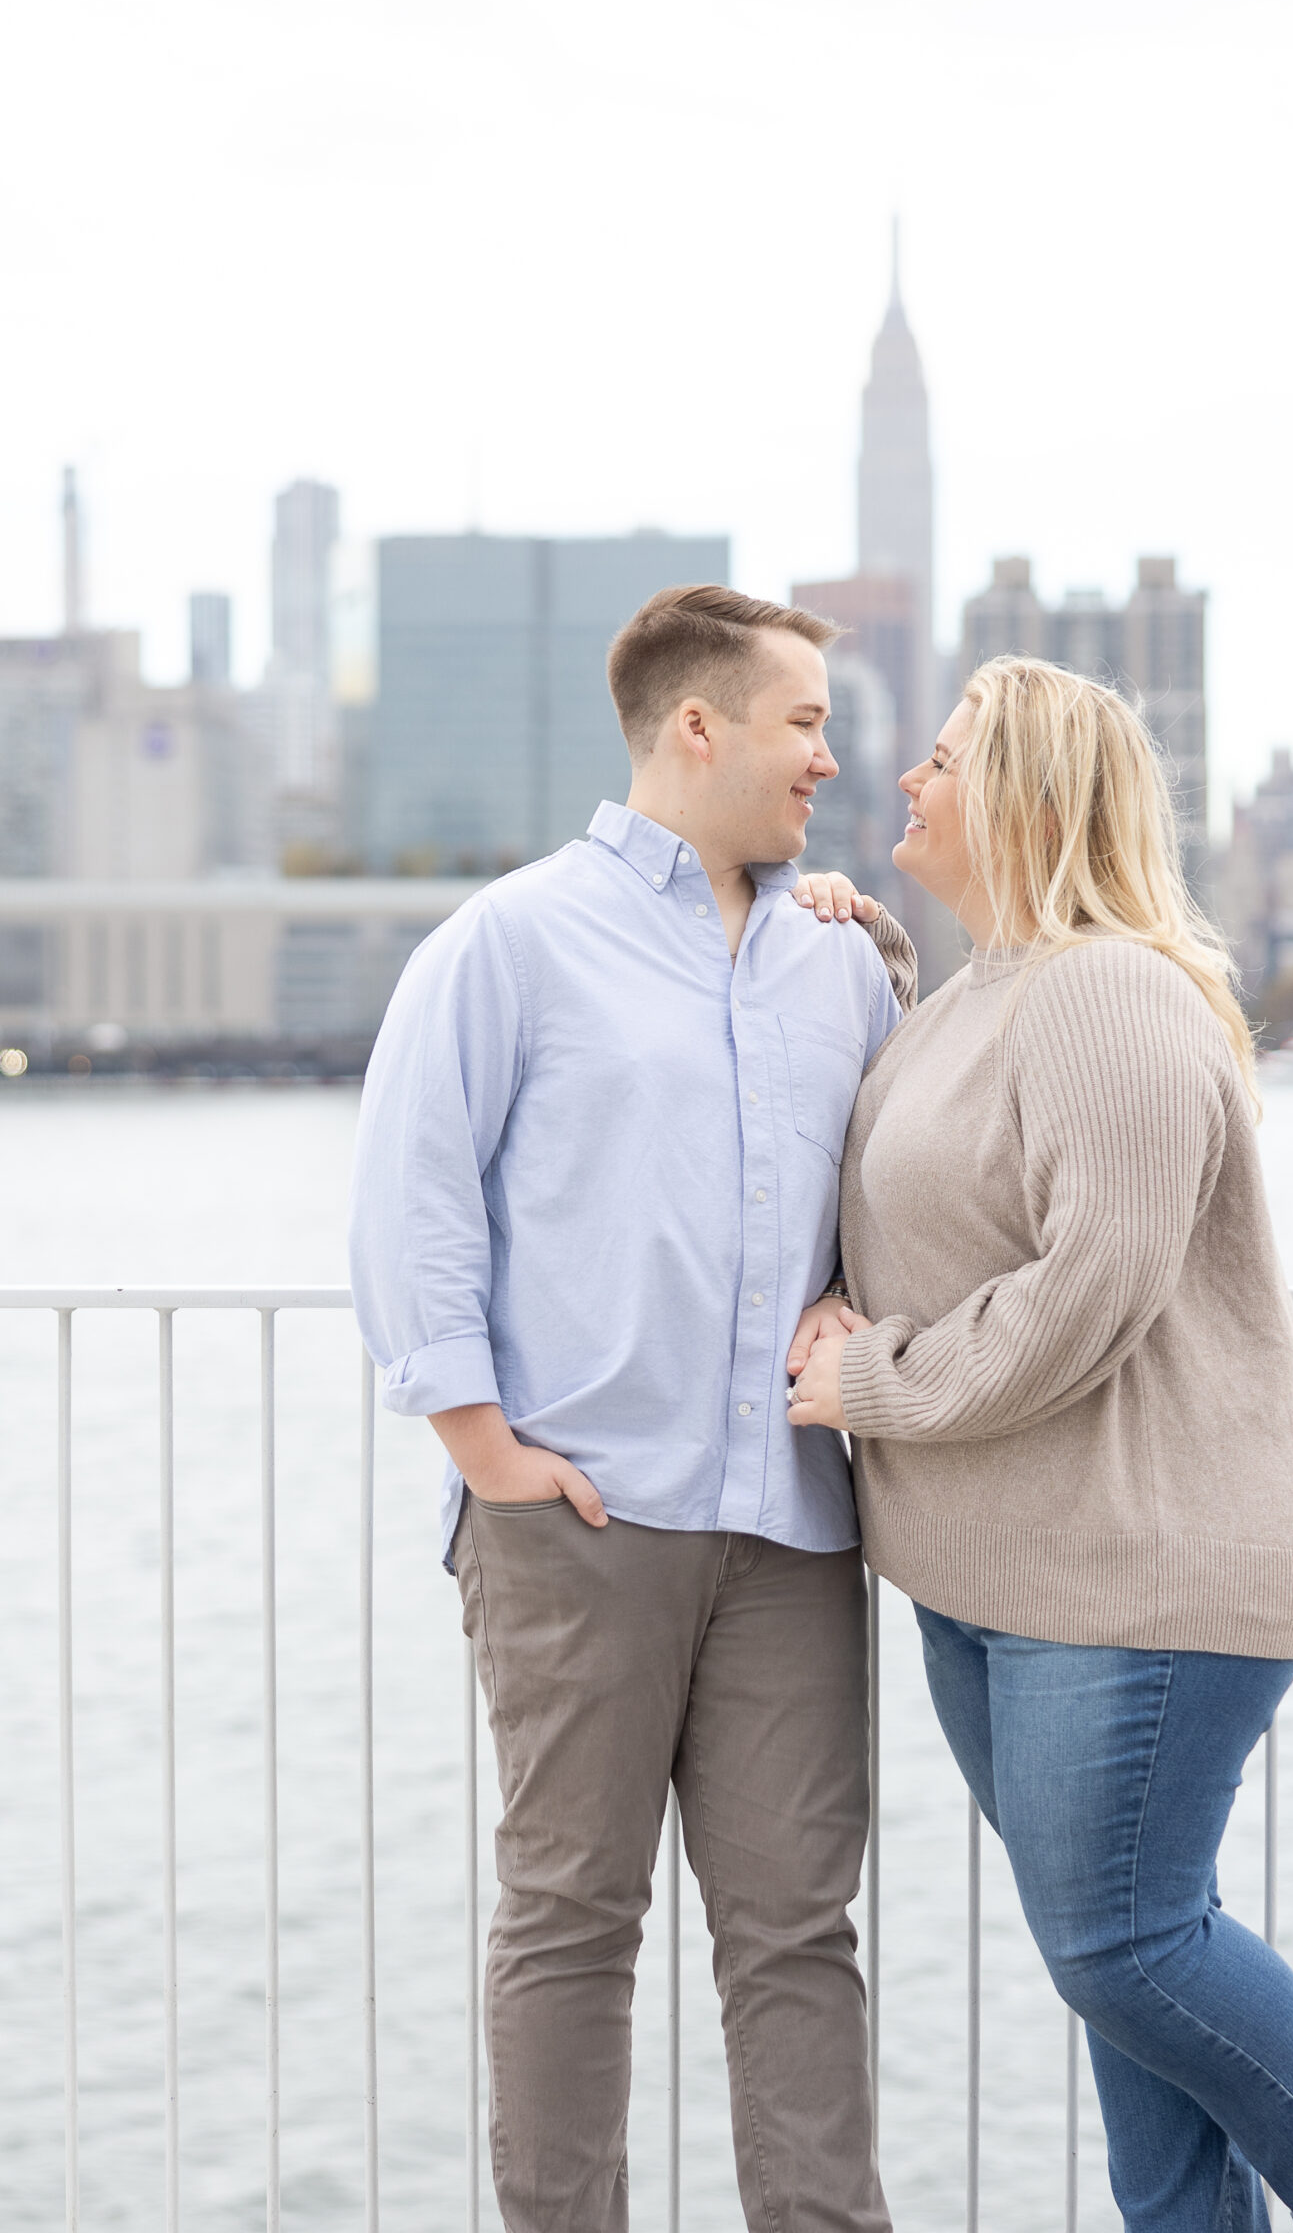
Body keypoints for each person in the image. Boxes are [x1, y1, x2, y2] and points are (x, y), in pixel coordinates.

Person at [784, 657, 1293, 2233]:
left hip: (1142, 1564)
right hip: (996, 1569)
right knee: (1130, 1953)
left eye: (945, 759)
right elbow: (922, 1198)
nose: (908, 779)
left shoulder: (1107, 992)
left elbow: (1084, 1291)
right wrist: (848, 941)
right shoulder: (973, 997)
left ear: (1028, 796)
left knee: (1119, 1944)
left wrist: (867, 1380)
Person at [349, 584, 914, 2233]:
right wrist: (486, 1454)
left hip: (790, 1530)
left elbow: (896, 1189)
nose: (826, 758)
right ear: (697, 726)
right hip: (577, 1517)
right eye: (803, 722)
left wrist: (852, 1299)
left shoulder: (839, 962)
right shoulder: (510, 941)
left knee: (798, 1938)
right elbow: (411, 1200)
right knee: (572, 1924)